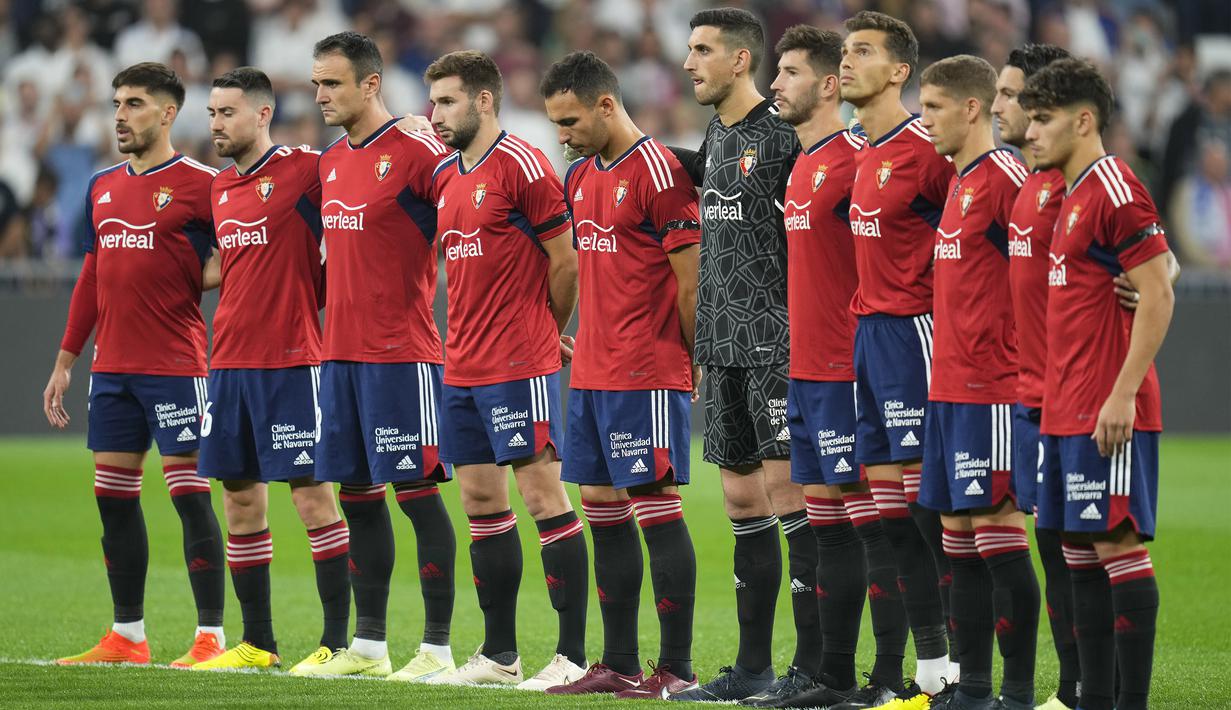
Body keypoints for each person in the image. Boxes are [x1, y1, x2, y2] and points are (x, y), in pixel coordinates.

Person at [43, 62, 226, 669]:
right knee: (113, 500)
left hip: (176, 366)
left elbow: (249, 247)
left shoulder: (204, 184)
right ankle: (128, 636)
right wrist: (66, 361)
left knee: (190, 498)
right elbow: (92, 275)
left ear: (169, 113)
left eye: (136, 104)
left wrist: (195, 274)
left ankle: (210, 638)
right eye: (117, 102)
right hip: (112, 371)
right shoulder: (102, 185)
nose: (120, 114)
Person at [423, 50, 589, 691]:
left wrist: (547, 328)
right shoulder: (445, 174)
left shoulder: (521, 163)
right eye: (433, 101)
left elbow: (564, 258)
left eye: (447, 101)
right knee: (480, 502)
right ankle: (499, 654)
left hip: (517, 361)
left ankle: (571, 656)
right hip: (460, 363)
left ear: (484, 100)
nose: (435, 114)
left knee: (543, 495)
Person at [538, 50, 701, 699]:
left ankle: (678, 670)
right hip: (594, 376)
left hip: (647, 372)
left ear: (607, 103)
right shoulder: (579, 175)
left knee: (655, 511)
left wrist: (687, 362)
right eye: (555, 122)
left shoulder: (661, 172)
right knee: (602, 511)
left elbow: (691, 284)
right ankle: (618, 664)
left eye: (571, 119)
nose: (563, 134)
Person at [296, 31, 457, 681]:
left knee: (417, 496)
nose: (319, 95)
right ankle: (367, 647)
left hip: (401, 355)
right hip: (339, 357)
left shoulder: (419, 149)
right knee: (357, 497)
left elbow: (475, 216)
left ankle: (439, 649)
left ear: (370, 84)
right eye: (315, 83)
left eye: (331, 83)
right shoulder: (331, 162)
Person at [763, 24, 914, 710]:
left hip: (850, 368)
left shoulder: (861, 158)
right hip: (806, 369)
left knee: (871, 526)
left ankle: (889, 678)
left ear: (828, 85)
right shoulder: (801, 163)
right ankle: (833, 675)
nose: (774, 84)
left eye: (788, 71)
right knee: (824, 528)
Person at [668, 8, 813, 701]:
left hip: (776, 342)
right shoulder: (719, 129)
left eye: (702, 50)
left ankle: (814, 670)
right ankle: (752, 669)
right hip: (721, 344)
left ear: (739, 60)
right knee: (737, 499)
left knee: (792, 497)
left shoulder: (783, 136)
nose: (689, 62)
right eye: (688, 49)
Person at [1022, 58, 1174, 710]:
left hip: (1106, 408)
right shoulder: (1070, 194)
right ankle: (1092, 700)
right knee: (1077, 552)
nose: (1028, 131)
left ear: (1083, 121)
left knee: (1113, 546)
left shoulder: (1112, 188)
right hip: (1064, 409)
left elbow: (1158, 292)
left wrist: (1121, 392)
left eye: (1042, 119)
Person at [189, 66, 351, 674]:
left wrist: (411, 124)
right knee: (239, 504)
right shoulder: (221, 188)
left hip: (292, 363)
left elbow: (365, 174)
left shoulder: (306, 170)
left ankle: (337, 642)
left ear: (262, 115)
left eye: (227, 113)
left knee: (312, 500)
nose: (215, 124)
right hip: (228, 363)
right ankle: (258, 643)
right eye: (210, 114)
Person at [915, 54, 1040, 710]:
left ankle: (1015, 693)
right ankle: (973, 690)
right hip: (948, 387)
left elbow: (1054, 252)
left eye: (933, 107)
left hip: (992, 386)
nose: (923, 118)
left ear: (971, 108)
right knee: (957, 539)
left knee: (995, 533)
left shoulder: (1003, 177)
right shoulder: (958, 181)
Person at [838, 11, 955, 706]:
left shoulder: (925, 149)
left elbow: (987, 230)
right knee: (889, 513)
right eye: (844, 51)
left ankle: (971, 670)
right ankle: (932, 672)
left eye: (861, 52)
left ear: (899, 71)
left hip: (915, 336)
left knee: (929, 513)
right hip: (867, 338)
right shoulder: (862, 147)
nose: (845, 62)